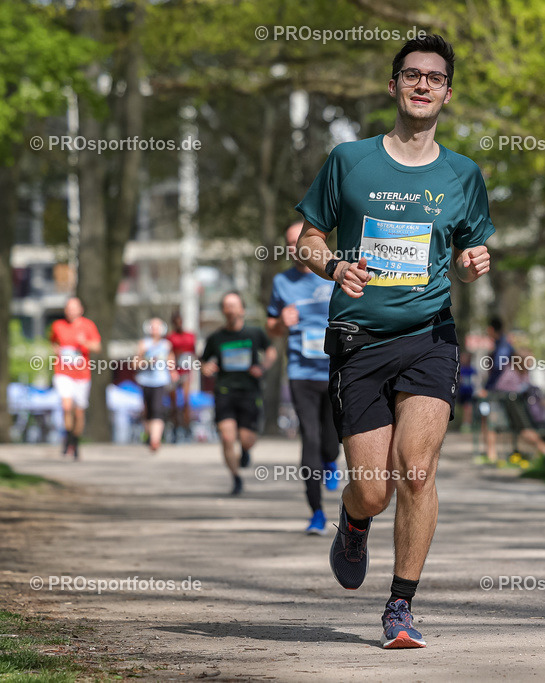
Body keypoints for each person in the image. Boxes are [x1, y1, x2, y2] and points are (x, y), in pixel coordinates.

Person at [294, 34, 494, 648]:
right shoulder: (349, 161)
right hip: (359, 339)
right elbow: (305, 238)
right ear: (394, 85)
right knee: (373, 487)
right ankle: (354, 521)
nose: (423, 84)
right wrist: (332, 267)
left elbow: (466, 252)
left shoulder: (464, 174)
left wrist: (470, 264)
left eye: (435, 77)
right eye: (412, 74)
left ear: (448, 93)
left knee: (415, 469)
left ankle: (400, 606)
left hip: (429, 335)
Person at [267, 221, 342, 535]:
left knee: (331, 441)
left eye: (299, 239)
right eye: (289, 241)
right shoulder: (282, 282)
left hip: (335, 368)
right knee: (309, 439)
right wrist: (281, 324)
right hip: (300, 372)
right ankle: (316, 513)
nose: (294, 246)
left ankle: (331, 459)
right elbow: (272, 327)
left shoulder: (334, 272)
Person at [200, 292, 277, 495]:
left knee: (247, 439)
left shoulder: (254, 333)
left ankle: (245, 450)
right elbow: (203, 361)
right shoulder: (216, 338)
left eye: (234, 305)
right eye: (227, 306)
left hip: (249, 391)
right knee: (227, 438)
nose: (231, 309)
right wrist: (205, 367)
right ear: (223, 311)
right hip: (224, 391)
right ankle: (236, 478)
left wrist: (263, 367)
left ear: (242, 309)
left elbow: (271, 352)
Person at [49, 297, 101, 460]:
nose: (70, 311)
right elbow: (53, 342)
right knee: (66, 406)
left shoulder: (88, 325)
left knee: (79, 412)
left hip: (82, 374)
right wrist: (56, 349)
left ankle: (74, 441)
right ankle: (68, 438)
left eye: (73, 308)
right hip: (63, 372)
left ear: (80, 309)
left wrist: (84, 342)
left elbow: (97, 347)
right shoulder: (58, 325)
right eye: (68, 308)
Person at [134, 318, 174, 452]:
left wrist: (172, 372)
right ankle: (150, 435)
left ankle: (155, 440)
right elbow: (136, 362)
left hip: (160, 381)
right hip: (145, 381)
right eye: (153, 327)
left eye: (157, 327)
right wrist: (147, 362)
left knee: (157, 409)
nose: (155, 329)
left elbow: (170, 360)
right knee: (148, 411)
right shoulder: (144, 344)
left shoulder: (166, 344)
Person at [479, 317, 514, 462]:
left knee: (490, 419)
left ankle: (491, 453)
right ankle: (490, 452)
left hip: (499, 390)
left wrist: (488, 388)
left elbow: (498, 367)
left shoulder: (503, 346)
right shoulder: (503, 344)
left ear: (492, 329)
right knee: (488, 418)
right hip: (501, 389)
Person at [166, 311, 197, 442]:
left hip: (185, 370)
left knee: (186, 400)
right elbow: (168, 353)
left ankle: (186, 427)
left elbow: (193, 352)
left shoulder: (190, 336)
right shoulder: (169, 337)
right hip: (173, 371)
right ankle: (175, 426)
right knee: (173, 402)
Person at [456, 351, 477, 430]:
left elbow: (475, 381)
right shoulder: (459, 369)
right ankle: (463, 423)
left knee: (468, 408)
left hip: (468, 393)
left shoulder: (471, 370)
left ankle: (467, 424)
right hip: (460, 392)